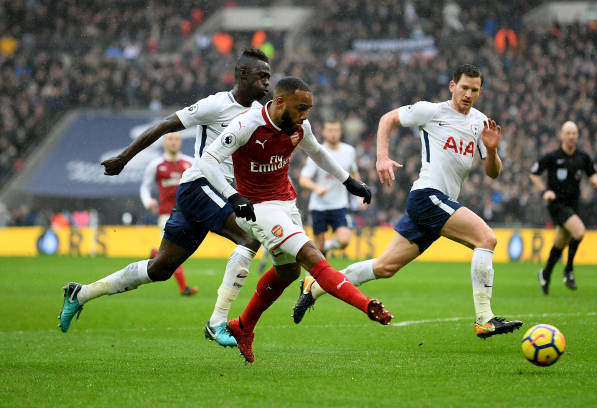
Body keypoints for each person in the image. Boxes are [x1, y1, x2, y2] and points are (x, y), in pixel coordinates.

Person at [58, 48, 271, 348]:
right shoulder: (215, 105)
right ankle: (218, 322)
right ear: (243, 75)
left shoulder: (260, 114)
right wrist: (123, 157)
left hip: (206, 193)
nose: (267, 83)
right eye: (262, 76)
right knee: (249, 239)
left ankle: (80, 293)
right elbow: (164, 125)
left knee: (159, 269)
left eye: (269, 78)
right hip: (201, 184)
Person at [293, 64, 523, 339]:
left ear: (480, 91)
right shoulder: (432, 111)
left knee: (384, 267)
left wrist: (493, 149)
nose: (468, 94)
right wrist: (382, 156)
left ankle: (314, 285)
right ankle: (485, 318)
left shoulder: (480, 123)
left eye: (474, 90)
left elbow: (493, 172)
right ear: (452, 86)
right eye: (464, 88)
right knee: (486, 239)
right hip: (427, 196)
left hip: (438, 203)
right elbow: (387, 119)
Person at [197, 76, 393, 362]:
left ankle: (242, 326)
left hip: (286, 202)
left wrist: (348, 181)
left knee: (289, 272)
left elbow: (317, 152)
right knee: (311, 255)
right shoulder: (247, 125)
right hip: (258, 208)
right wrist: (232, 195)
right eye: (300, 108)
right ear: (279, 102)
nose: (304, 116)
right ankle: (367, 306)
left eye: (308, 110)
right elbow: (207, 159)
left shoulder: (300, 126)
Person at [530, 121, 597, 294]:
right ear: (561, 135)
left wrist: (595, 181)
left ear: (577, 136)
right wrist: (544, 192)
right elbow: (534, 173)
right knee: (579, 232)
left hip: (573, 205)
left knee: (560, 243)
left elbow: (592, 173)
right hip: (557, 205)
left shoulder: (583, 157)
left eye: (574, 133)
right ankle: (568, 270)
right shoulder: (553, 157)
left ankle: (545, 273)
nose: (571, 136)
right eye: (568, 133)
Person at [140, 131, 198, 296]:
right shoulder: (156, 165)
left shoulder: (190, 162)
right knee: (173, 252)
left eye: (176, 139)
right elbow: (145, 186)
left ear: (180, 143)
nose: (173, 142)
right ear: (164, 143)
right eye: (170, 139)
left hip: (187, 213)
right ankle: (184, 288)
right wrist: (148, 201)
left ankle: (154, 254)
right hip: (166, 213)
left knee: (178, 250)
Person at [299, 120, 361, 256]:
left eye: (336, 131)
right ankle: (311, 276)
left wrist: (360, 196)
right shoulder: (317, 151)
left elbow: (354, 173)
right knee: (318, 245)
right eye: (330, 131)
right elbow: (303, 179)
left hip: (340, 204)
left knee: (344, 240)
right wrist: (316, 188)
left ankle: (327, 246)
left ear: (340, 132)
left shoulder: (349, 151)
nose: (333, 134)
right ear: (324, 132)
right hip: (319, 205)